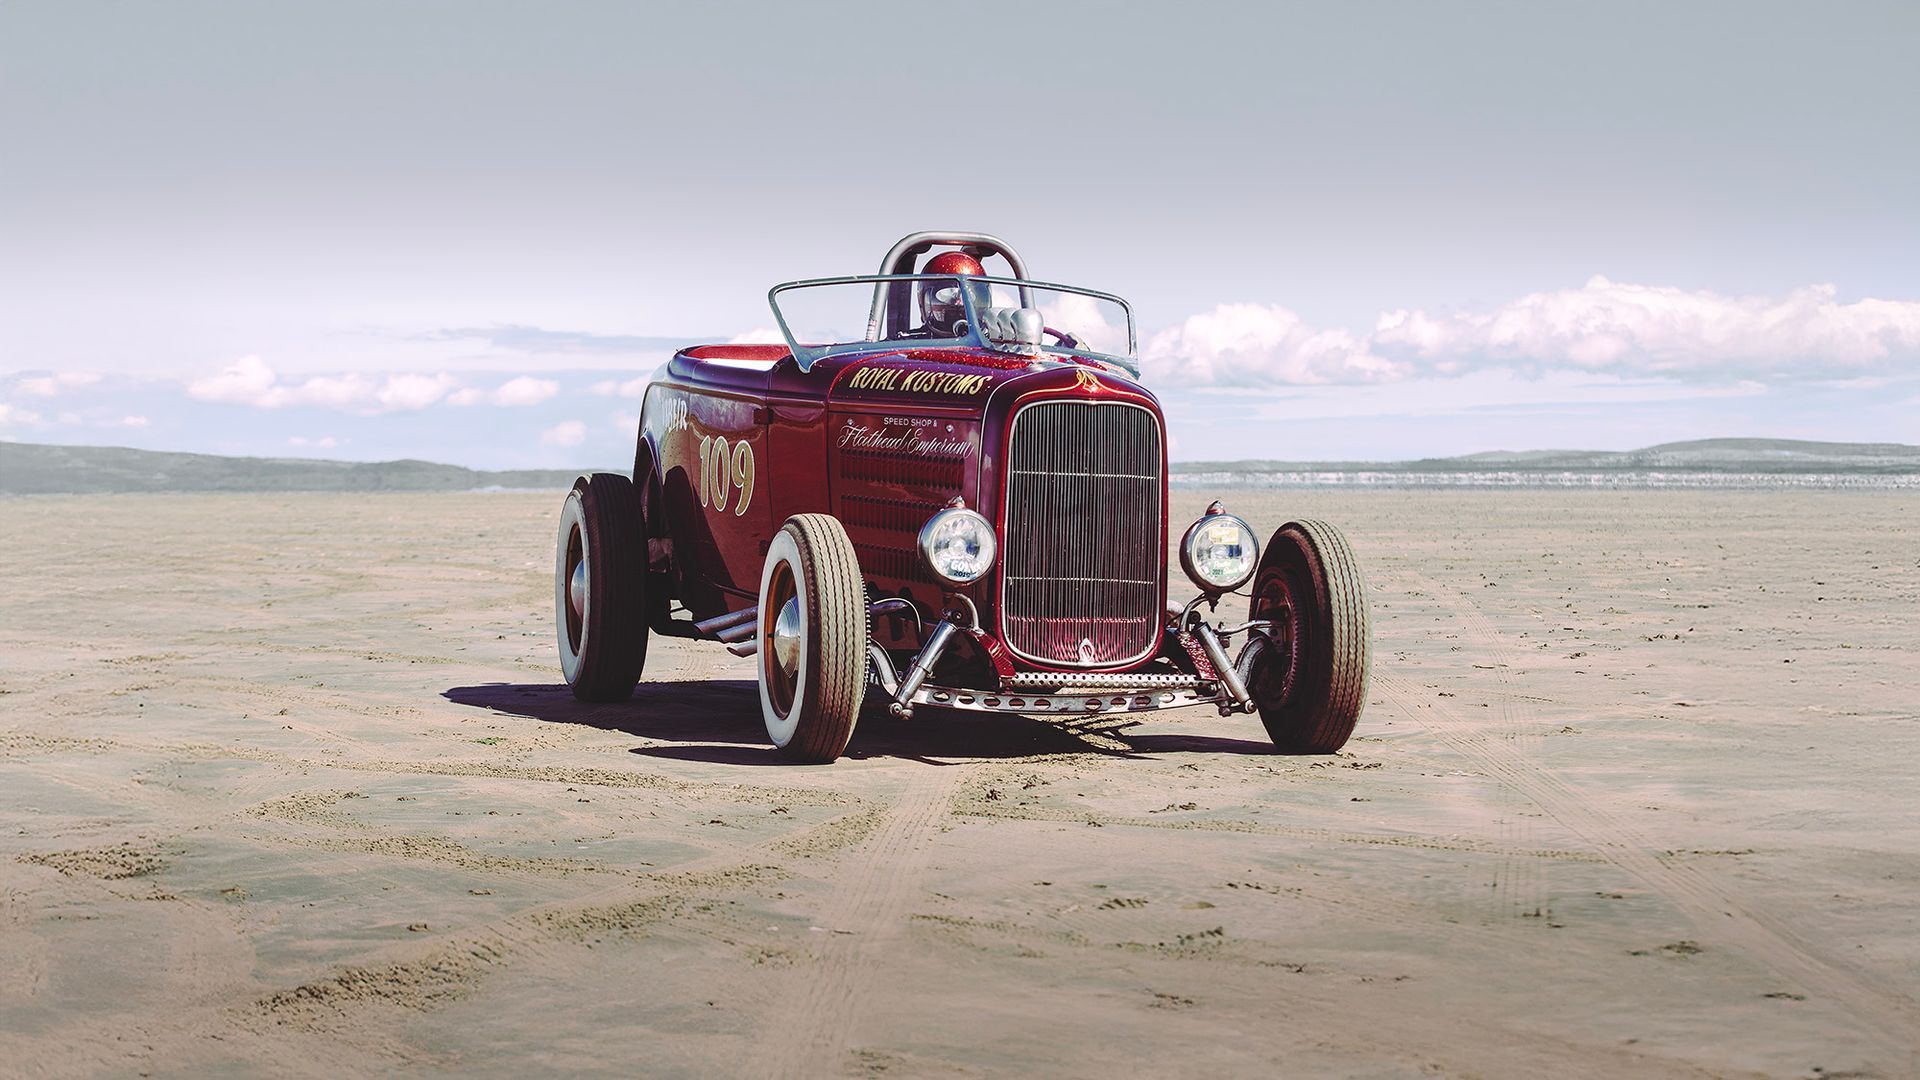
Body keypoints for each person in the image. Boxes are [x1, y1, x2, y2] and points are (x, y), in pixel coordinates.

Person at [916, 250, 985, 337]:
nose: (958, 303)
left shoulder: (991, 344)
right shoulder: (912, 345)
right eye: (949, 297)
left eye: (967, 297)